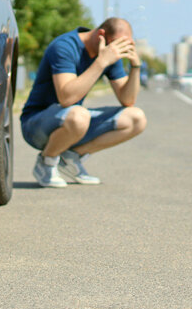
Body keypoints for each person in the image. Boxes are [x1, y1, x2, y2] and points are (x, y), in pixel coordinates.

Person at [20, 18, 147, 188]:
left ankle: (70, 157)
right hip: (36, 124)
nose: (120, 50)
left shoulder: (111, 53)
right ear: (101, 35)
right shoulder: (65, 46)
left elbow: (128, 100)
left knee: (136, 118)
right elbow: (67, 98)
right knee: (79, 115)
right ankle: (47, 161)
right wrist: (101, 62)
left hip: (71, 121)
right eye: (118, 44)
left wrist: (135, 66)